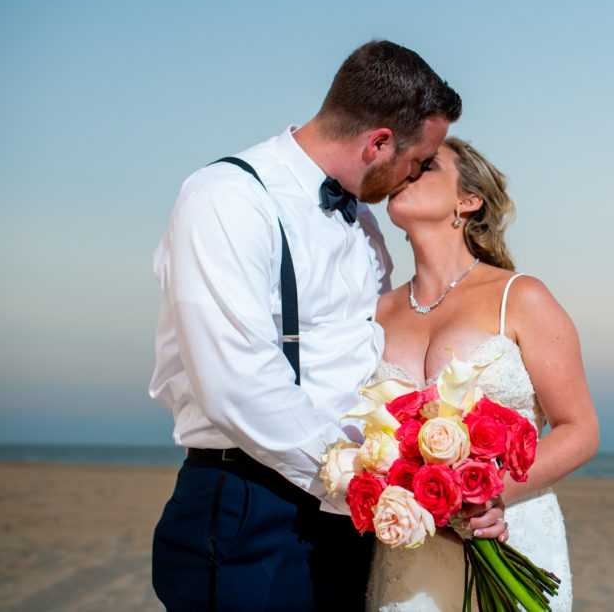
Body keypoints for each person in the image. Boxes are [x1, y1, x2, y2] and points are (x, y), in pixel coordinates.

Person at [148, 41, 505, 611]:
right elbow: (237, 386)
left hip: (351, 509)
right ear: (379, 142)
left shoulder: (362, 220)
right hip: (253, 505)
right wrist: (368, 483)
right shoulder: (229, 199)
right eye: (418, 160)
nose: (413, 175)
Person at [365, 137, 600, 611]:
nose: (404, 171)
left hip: (508, 529)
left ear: (468, 202)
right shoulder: (375, 311)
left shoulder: (521, 296)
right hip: (410, 549)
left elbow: (579, 429)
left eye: (425, 165)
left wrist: (485, 497)